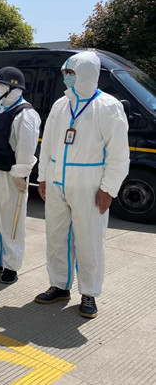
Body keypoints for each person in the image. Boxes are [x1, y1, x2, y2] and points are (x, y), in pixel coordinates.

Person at [35, 51, 129, 319]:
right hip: (57, 181)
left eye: (72, 73)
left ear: (88, 74)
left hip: (89, 184)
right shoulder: (60, 105)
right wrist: (43, 177)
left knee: (89, 240)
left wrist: (108, 188)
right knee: (56, 237)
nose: (67, 77)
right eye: (65, 73)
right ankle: (59, 285)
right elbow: (48, 143)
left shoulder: (108, 107)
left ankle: (89, 292)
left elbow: (119, 153)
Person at [0, 67, 41, 284]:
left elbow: (26, 147)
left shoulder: (25, 114)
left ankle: (11, 265)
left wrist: (21, 174)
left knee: (10, 221)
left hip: (8, 175)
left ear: (12, 88)